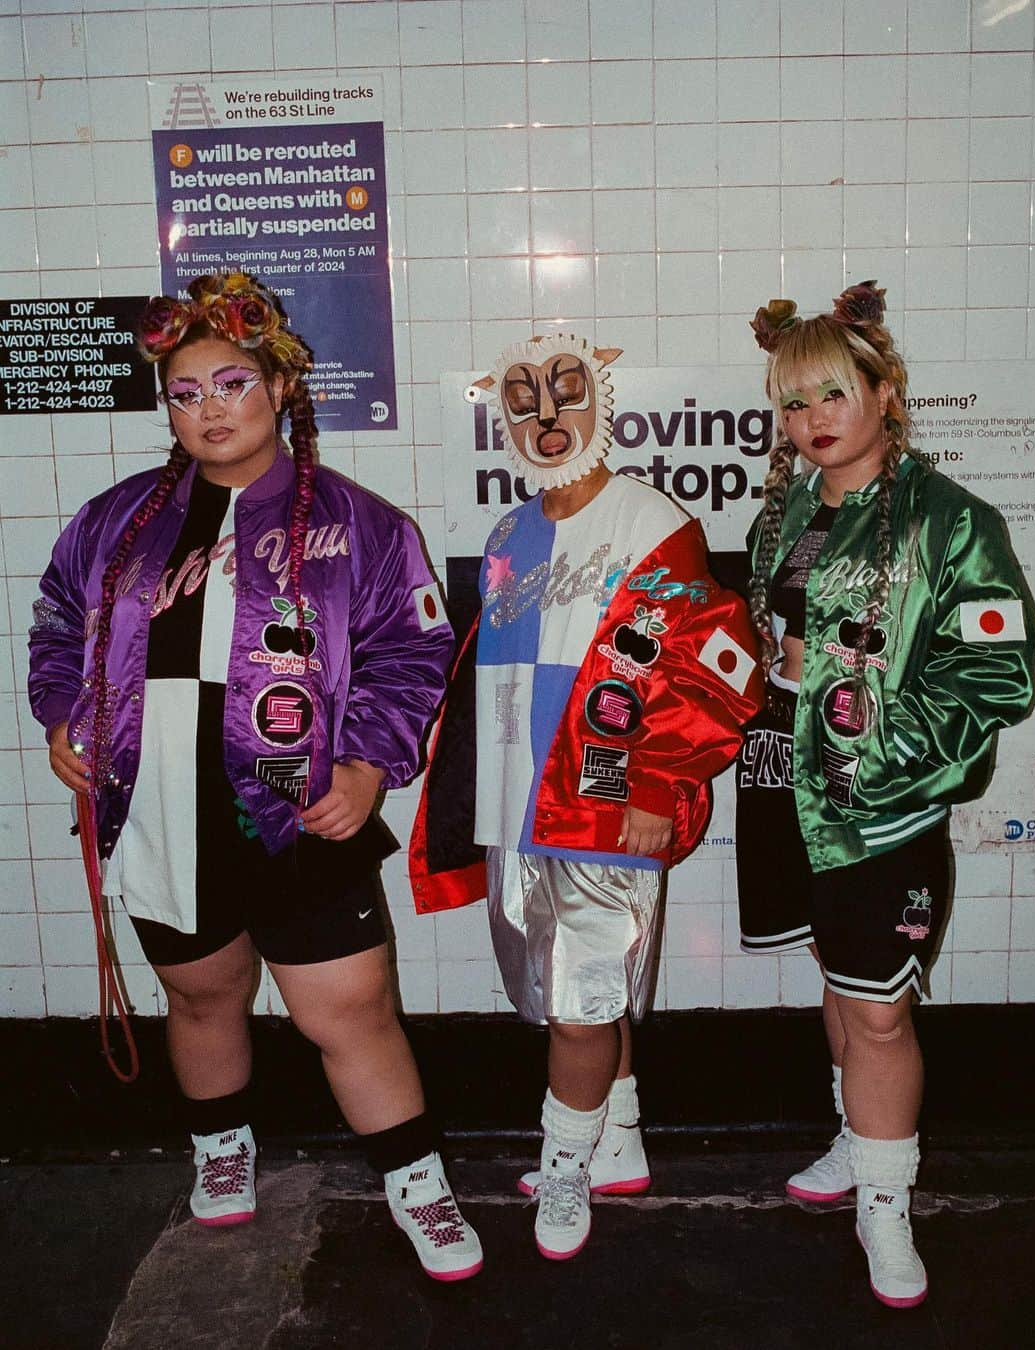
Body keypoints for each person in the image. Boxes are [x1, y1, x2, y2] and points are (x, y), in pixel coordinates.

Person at [27, 272, 483, 1282]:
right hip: (157, 811)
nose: (207, 410)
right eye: (183, 394)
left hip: (300, 815)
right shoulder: (114, 523)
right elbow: (59, 624)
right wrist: (64, 714)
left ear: (281, 388)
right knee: (203, 999)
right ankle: (219, 1148)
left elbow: (414, 659)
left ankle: (418, 1185)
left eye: (229, 383)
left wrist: (368, 764)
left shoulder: (365, 525)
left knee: (350, 1010)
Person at [410, 334, 763, 1260]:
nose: (547, 420)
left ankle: (564, 1170)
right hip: (520, 812)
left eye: (566, 398)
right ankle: (618, 1144)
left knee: (578, 1003)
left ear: (599, 403)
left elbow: (720, 663)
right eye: (525, 404)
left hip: (604, 809)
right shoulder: (509, 531)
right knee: (579, 993)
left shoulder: (652, 521)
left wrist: (659, 780)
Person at [738, 282, 1035, 1308]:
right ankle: (855, 1138)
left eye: (831, 394)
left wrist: (878, 750)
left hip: (880, 803)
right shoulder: (783, 511)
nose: (812, 420)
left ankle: (887, 1201)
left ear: (884, 389)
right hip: (785, 785)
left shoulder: (951, 522)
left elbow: (997, 677)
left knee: (877, 1016)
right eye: (792, 403)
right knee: (839, 974)